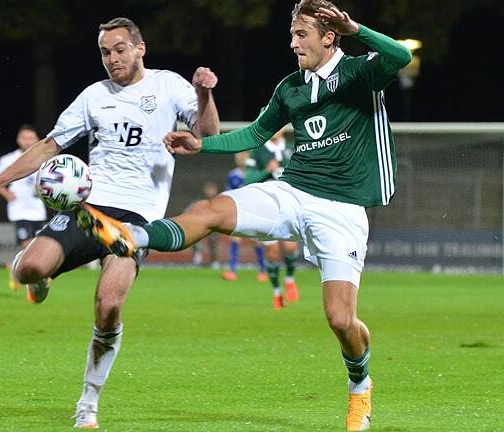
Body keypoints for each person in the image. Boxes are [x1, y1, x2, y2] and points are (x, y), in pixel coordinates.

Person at [76, 3, 411, 430]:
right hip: (292, 190)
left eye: (301, 34)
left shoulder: (361, 73)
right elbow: (255, 132)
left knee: (341, 320)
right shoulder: (291, 86)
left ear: (329, 36)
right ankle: (131, 236)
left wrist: (356, 27)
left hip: (342, 209)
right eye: (292, 34)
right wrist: (202, 146)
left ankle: (360, 385)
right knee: (211, 210)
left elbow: (400, 57)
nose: (292, 43)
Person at [0, 17, 219, 429]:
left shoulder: (169, 86)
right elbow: (49, 145)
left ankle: (88, 401)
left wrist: (204, 93)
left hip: (137, 218)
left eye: (119, 49)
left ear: (140, 48)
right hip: (90, 208)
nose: (112, 58)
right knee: (28, 269)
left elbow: (207, 133)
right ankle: (42, 277)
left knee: (109, 305)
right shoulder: (94, 96)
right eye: (105, 52)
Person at [243, 127, 300, 309]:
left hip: (289, 206)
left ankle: (290, 279)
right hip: (266, 209)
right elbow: (247, 180)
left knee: (291, 247)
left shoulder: (292, 148)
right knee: (273, 252)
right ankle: (277, 293)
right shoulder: (259, 151)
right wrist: (266, 171)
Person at [0, 124, 49, 293]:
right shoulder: (8, 159)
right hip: (19, 210)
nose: (28, 141)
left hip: (38, 209)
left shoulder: (43, 159)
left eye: (31, 138)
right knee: (26, 244)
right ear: (18, 139)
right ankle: (32, 275)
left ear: (37, 140)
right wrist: (8, 195)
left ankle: (18, 270)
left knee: (37, 245)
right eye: (24, 137)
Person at [222, 151, 268, 282]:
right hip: (238, 212)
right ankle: (232, 271)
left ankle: (263, 271)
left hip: (254, 212)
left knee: (256, 240)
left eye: (244, 156)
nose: (241, 158)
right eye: (239, 156)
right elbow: (228, 193)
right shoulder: (233, 175)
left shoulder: (255, 174)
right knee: (235, 239)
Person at [188, 181, 220, 268]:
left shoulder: (219, 200)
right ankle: (197, 259)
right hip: (201, 224)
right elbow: (191, 209)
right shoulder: (200, 200)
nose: (210, 191)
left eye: (212, 189)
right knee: (195, 240)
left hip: (213, 225)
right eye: (209, 189)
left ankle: (214, 261)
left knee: (212, 242)